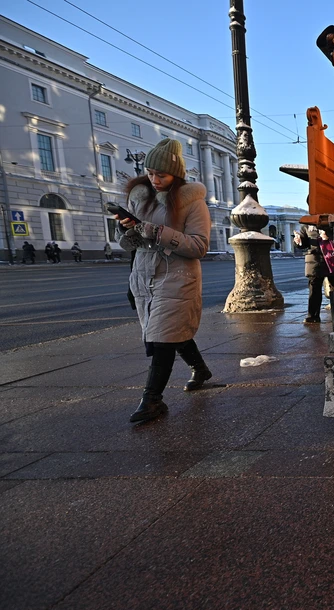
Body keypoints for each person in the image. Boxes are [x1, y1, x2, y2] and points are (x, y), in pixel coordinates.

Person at [114, 139, 213, 424]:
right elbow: (129, 246)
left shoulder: (192, 202)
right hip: (144, 277)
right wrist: (128, 229)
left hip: (178, 277)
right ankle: (201, 369)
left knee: (162, 337)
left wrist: (156, 232)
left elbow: (198, 246)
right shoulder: (140, 196)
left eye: (162, 175)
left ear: (176, 175)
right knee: (169, 331)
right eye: (150, 172)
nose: (155, 180)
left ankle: (152, 400)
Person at [295, 225, 334, 323]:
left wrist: (328, 236)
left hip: (332, 257)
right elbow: (304, 243)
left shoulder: (330, 222)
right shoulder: (306, 227)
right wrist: (299, 241)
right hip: (315, 259)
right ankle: (313, 316)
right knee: (314, 287)